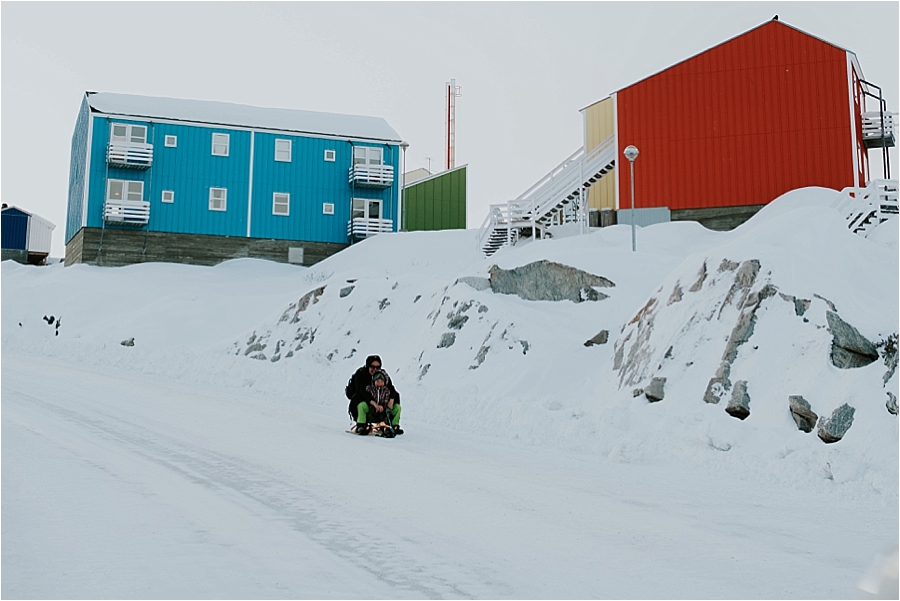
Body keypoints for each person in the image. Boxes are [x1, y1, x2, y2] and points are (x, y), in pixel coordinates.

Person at [346, 355, 402, 435]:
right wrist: (374, 404)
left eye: (377, 367)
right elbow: (361, 392)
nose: (375, 369)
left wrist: (391, 400)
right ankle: (361, 425)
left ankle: (392, 425)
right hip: (365, 403)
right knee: (359, 401)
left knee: (397, 404)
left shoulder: (383, 376)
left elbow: (392, 389)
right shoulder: (361, 375)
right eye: (372, 367)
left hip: (382, 406)